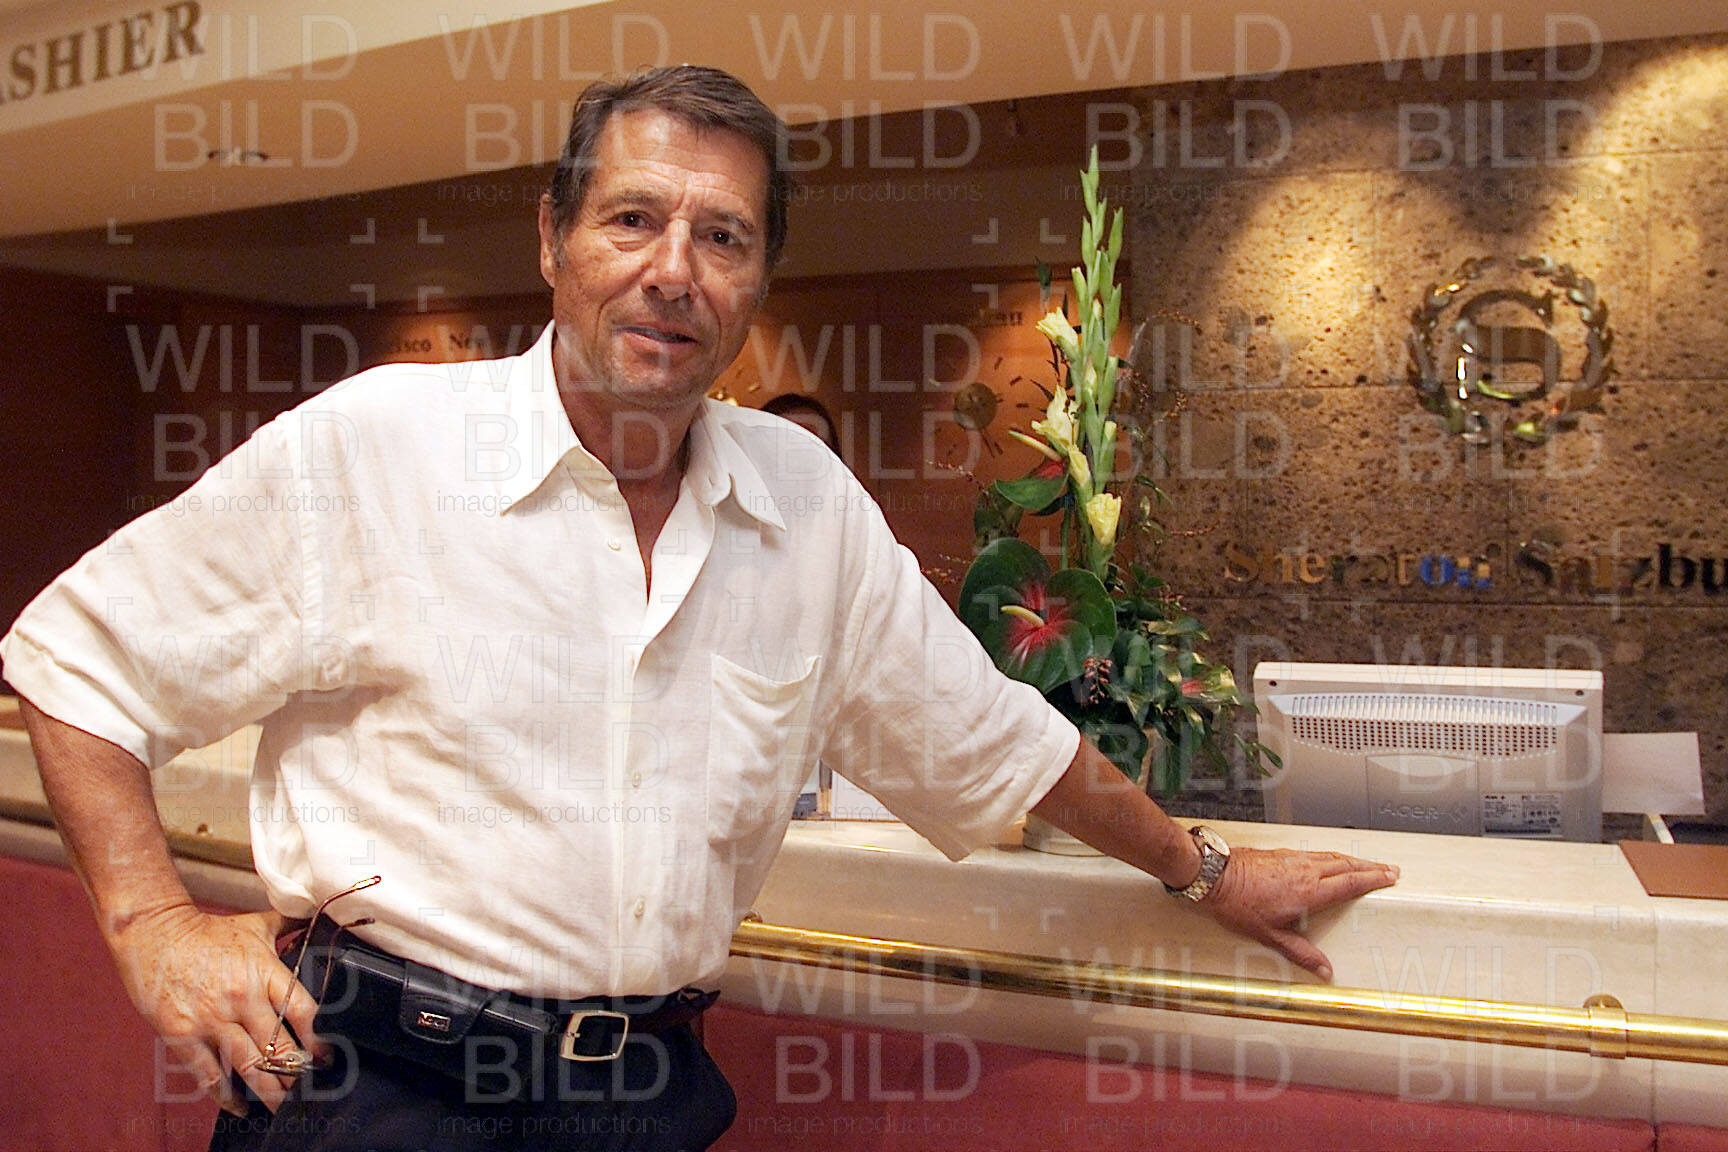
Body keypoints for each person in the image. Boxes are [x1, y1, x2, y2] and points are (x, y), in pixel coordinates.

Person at [1, 65, 1397, 1151]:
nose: (673, 268)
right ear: (553, 240)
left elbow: (994, 741)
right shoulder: (381, 446)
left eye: (720, 236)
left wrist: (1204, 871)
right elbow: (80, 660)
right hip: (379, 1090)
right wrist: (150, 922)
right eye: (633, 219)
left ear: (754, 282)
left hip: (648, 1099)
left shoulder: (807, 503)